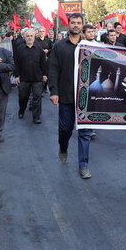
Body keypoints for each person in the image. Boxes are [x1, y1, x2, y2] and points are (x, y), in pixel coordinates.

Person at [49, 13, 93, 179]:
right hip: (66, 96)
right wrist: (54, 92)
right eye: (73, 22)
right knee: (65, 129)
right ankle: (63, 147)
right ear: (68, 25)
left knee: (85, 132)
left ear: (82, 25)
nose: (76, 25)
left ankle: (84, 165)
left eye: (79, 22)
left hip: (86, 98)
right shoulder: (59, 46)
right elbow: (53, 70)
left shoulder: (90, 46)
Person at [14, 28, 48, 124]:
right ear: (24, 37)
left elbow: (43, 63)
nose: (29, 37)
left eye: (31, 36)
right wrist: (16, 75)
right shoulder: (19, 48)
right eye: (27, 36)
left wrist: (44, 74)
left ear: (34, 37)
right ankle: (22, 110)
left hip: (37, 77)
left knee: (37, 97)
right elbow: (16, 63)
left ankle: (36, 116)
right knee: (23, 97)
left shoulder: (39, 49)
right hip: (24, 78)